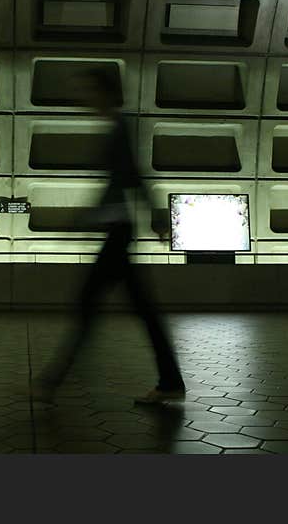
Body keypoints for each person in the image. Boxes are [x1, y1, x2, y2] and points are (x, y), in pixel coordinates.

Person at [33, 70, 186, 405]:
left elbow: (129, 179)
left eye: (89, 90)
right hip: (119, 230)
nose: (85, 98)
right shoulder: (118, 127)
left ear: (104, 93)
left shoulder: (119, 128)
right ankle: (170, 381)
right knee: (140, 310)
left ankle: (52, 381)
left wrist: (153, 215)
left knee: (90, 303)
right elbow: (127, 181)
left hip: (118, 231)